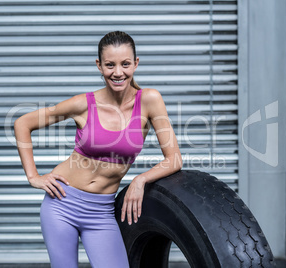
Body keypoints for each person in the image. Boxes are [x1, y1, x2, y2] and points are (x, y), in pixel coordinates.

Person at [14, 31, 182, 268]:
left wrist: (140, 180)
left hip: (101, 212)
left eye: (125, 64)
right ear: (99, 66)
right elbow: (23, 123)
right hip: (61, 203)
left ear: (136, 63)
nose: (118, 72)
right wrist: (33, 177)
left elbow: (174, 159)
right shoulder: (84, 103)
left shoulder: (150, 100)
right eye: (109, 65)